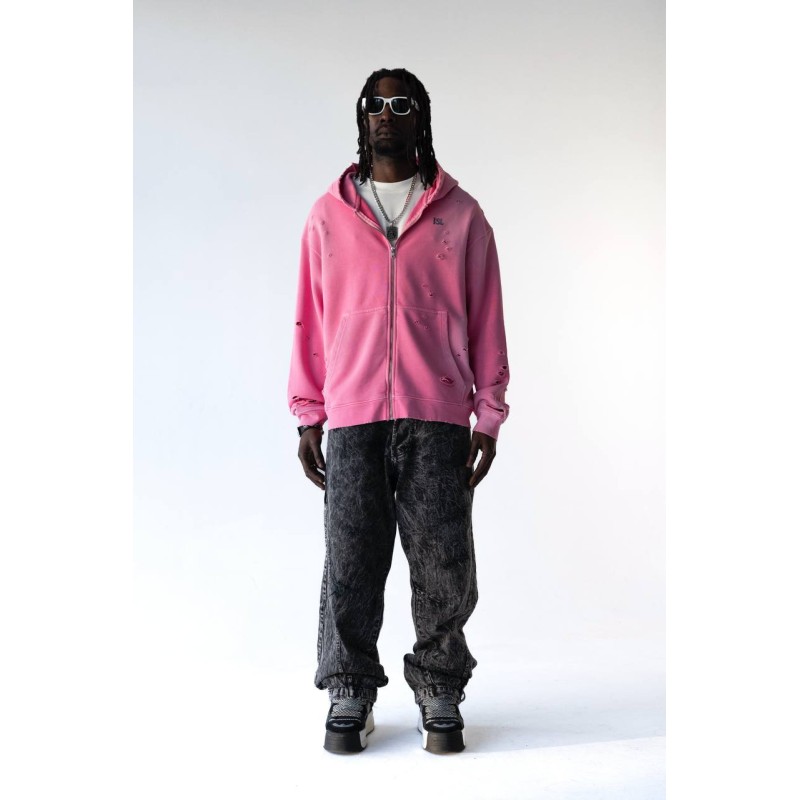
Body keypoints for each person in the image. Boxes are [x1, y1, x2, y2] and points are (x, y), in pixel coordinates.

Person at [287, 67, 510, 754]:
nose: (387, 113)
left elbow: (487, 318)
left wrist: (488, 413)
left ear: (421, 117)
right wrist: (309, 412)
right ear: (362, 116)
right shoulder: (328, 215)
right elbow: (309, 318)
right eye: (375, 103)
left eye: (401, 103)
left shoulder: (461, 216)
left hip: (437, 414)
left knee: (443, 559)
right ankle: (349, 688)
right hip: (353, 414)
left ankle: (439, 686)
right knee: (349, 559)